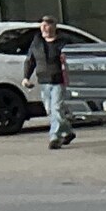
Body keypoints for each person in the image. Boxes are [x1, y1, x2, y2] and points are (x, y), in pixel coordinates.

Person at [23, 15, 72, 149]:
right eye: (42, 25)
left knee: (57, 108)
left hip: (59, 81)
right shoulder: (37, 42)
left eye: (47, 25)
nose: (44, 28)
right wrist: (26, 77)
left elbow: (71, 60)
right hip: (44, 81)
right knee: (50, 110)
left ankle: (54, 137)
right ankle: (68, 131)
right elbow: (30, 60)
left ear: (54, 26)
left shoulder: (63, 43)